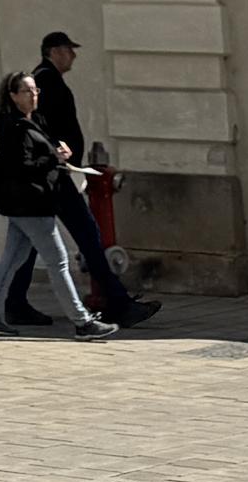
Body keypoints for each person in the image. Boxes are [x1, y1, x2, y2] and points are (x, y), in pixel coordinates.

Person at [11, 32, 157, 330]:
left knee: (28, 243)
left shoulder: (47, 79)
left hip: (52, 174)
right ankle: (118, 304)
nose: (73, 55)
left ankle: (13, 303)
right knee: (87, 235)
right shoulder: (45, 81)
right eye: (68, 50)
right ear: (54, 51)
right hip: (55, 175)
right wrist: (56, 153)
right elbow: (36, 125)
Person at [0, 69, 113, 339]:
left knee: (11, 260)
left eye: (35, 90)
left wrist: (59, 152)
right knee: (58, 261)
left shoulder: (33, 121)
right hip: (30, 204)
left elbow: (42, 154)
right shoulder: (13, 127)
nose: (33, 95)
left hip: (31, 203)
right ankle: (82, 322)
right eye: (27, 91)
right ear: (13, 96)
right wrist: (53, 159)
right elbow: (21, 166)